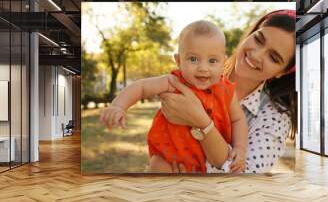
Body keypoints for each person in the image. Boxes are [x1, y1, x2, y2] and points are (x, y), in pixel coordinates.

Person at [99, 20, 248, 173]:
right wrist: (119, 106)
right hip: (169, 156)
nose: (203, 68)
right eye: (193, 59)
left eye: (212, 61)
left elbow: (238, 119)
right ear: (178, 61)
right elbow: (141, 87)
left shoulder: (226, 91)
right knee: (158, 176)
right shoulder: (174, 82)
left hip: (207, 161)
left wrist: (240, 148)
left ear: (223, 63)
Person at [159, 9, 296, 173]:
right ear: (250, 34)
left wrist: (201, 122)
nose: (256, 55)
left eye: (273, 58)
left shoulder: (275, 117)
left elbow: (245, 177)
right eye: (258, 39)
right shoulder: (199, 71)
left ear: (283, 72)